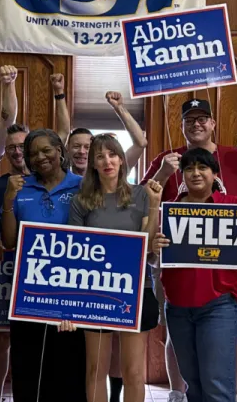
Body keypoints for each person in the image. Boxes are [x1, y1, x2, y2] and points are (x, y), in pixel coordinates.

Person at [142, 98, 237, 402]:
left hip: (229, 270)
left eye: (203, 119)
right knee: (181, 343)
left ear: (213, 123)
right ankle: (178, 392)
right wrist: (161, 174)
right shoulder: (167, 159)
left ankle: (225, 395)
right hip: (176, 274)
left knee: (223, 343)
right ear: (182, 126)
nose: (196, 124)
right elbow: (140, 204)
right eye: (189, 120)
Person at [68, 134, 163, 402]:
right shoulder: (81, 201)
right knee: (95, 369)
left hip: (136, 290)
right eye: (99, 156)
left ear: (121, 159)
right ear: (93, 164)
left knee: (133, 371)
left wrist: (155, 206)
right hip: (95, 294)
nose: (107, 160)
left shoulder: (143, 194)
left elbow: (147, 248)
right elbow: (75, 252)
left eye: (112, 154)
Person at [1, 129, 88, 402]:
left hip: (71, 292)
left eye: (46, 150)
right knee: (27, 368)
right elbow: (9, 241)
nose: (40, 157)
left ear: (60, 151)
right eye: (33, 153)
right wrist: (8, 201)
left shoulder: (82, 185)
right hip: (28, 292)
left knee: (68, 368)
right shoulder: (19, 187)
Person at [0, 123, 30, 400]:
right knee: (0, 338)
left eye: (22, 145)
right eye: (11, 147)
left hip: (40, 271)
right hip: (4, 270)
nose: (16, 151)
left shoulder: (45, 181)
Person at [60, 90, 148, 176]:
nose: (82, 151)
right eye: (76, 146)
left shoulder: (110, 172)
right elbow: (63, 131)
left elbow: (140, 143)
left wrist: (119, 107)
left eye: (87, 147)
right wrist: (59, 93)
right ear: (67, 149)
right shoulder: (59, 175)